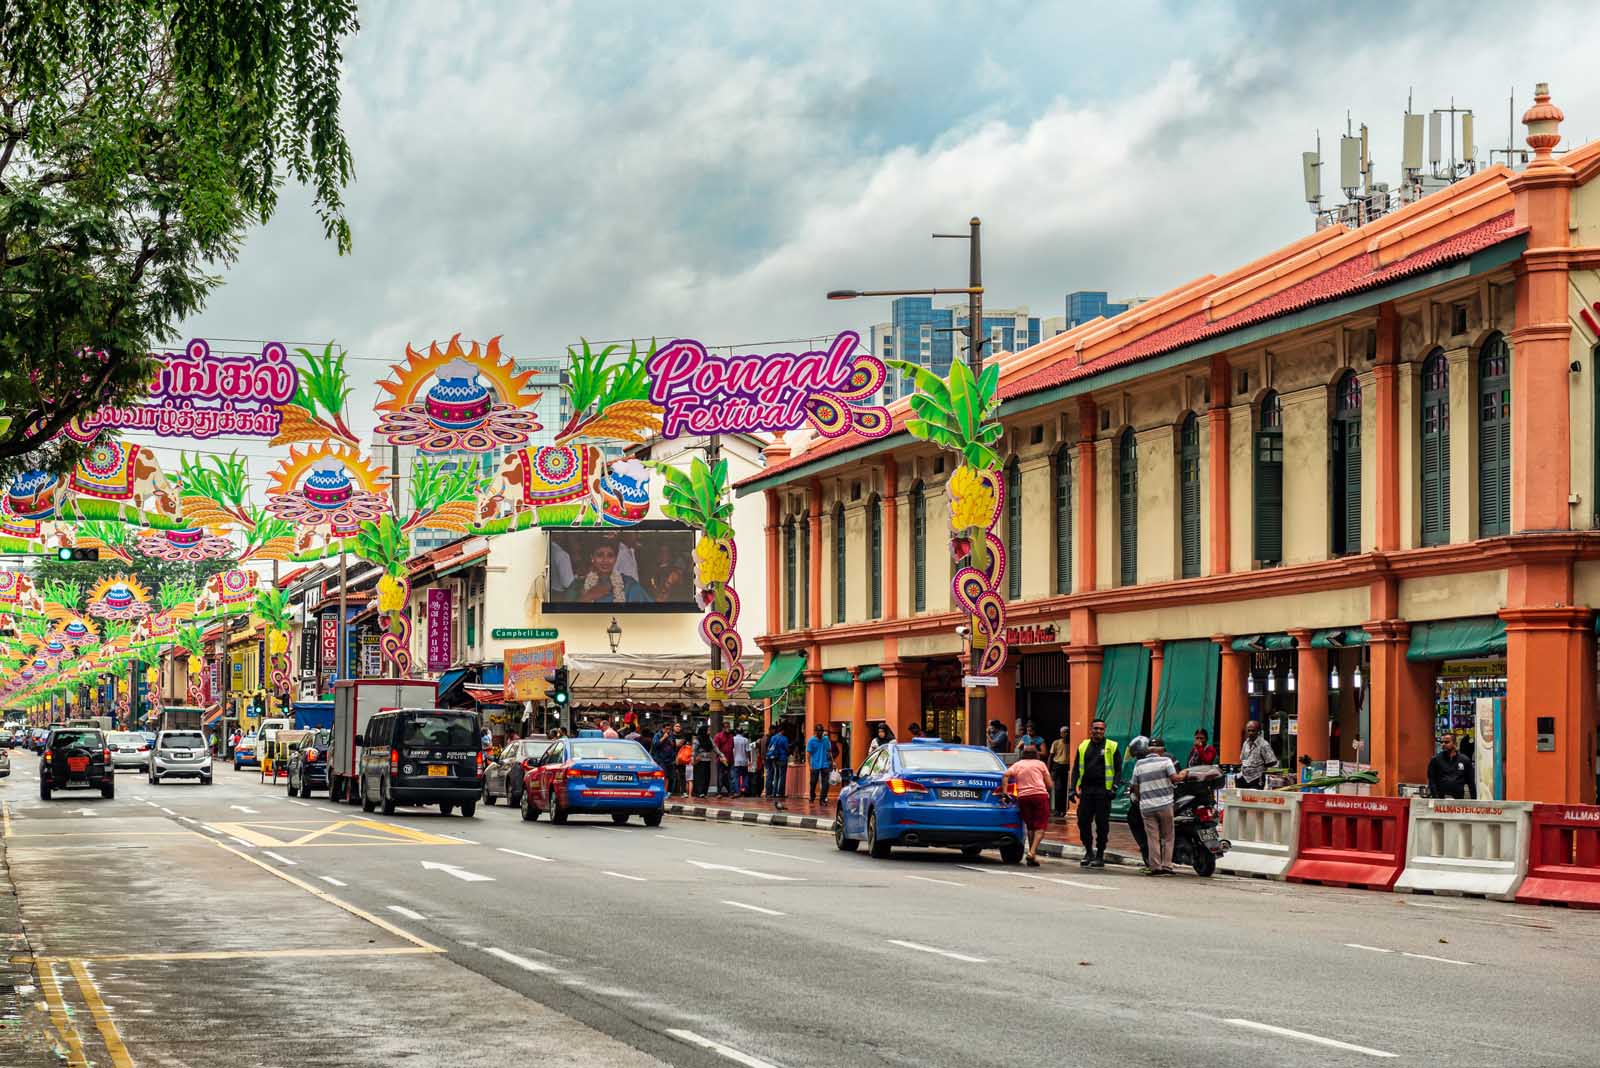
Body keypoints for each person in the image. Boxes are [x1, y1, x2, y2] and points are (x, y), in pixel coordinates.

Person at [1068, 719, 1122, 868]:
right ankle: (1088, 852)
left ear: (1104, 731)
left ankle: (1100, 855)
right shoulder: (1083, 746)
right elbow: (1076, 769)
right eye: (1096, 729)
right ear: (1090, 730)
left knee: (1102, 824)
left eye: (1101, 729)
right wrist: (1072, 788)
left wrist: (1114, 787)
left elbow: (1118, 769)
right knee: (1082, 822)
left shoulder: (1112, 746)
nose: (1098, 731)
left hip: (1104, 792)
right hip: (1086, 791)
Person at [1130, 736, 1185, 875]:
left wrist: (1142, 798)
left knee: (1152, 837)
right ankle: (1167, 866)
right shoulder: (1166, 760)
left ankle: (1155, 867)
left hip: (1147, 807)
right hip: (1165, 804)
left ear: (1148, 750)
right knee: (1167, 836)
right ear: (1161, 750)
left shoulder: (1139, 764)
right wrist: (1184, 773)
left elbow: (1134, 786)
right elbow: (1175, 779)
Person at [1002, 743, 1053, 866]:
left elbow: (1005, 775)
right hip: (1039, 796)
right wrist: (1048, 791)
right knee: (1040, 827)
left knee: (1030, 826)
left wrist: (1005, 793)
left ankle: (1032, 853)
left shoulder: (1018, 765)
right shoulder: (1040, 764)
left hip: (1023, 797)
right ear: (1036, 754)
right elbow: (1049, 784)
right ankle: (1032, 852)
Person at [564, 537, 652, 604]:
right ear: (592, 558)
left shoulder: (629, 584)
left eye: (610, 555)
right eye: (600, 555)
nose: (605, 560)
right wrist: (588, 596)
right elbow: (564, 617)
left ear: (616, 559)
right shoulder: (577, 585)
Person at [1427, 734, 1477, 799]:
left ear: (1454, 744)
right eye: (1442, 742)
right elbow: (1431, 780)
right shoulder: (1435, 760)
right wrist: (1435, 798)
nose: (1443, 744)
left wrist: (1474, 801)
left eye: (1446, 742)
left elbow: (1471, 783)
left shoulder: (1465, 760)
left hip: (1458, 800)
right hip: (1441, 799)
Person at [1237, 719, 1276, 790]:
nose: (1251, 733)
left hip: (1257, 778)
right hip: (1244, 777)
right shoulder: (1245, 743)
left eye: (1253, 731)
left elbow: (1272, 761)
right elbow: (1242, 758)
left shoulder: (1264, 744)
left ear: (1258, 731)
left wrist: (1261, 767)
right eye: (1249, 730)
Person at [806, 724, 832, 804]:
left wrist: (832, 761)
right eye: (819, 731)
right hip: (815, 764)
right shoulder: (811, 741)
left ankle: (822, 799)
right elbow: (808, 754)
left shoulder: (826, 739)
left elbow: (829, 751)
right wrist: (810, 765)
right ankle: (812, 795)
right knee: (813, 782)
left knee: (826, 783)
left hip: (825, 764)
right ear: (815, 732)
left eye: (821, 731)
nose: (820, 733)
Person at [1048, 726, 1072, 817]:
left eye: (1067, 732)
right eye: (1064, 732)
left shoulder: (1071, 743)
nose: (1065, 734)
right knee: (1058, 788)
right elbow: (1051, 756)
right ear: (1061, 734)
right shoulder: (1056, 743)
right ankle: (1057, 809)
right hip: (1057, 766)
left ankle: (1063, 809)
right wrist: (1048, 769)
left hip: (1066, 766)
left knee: (1065, 788)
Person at [766, 728, 790, 802]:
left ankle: (774, 792)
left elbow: (769, 747)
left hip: (775, 758)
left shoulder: (773, 737)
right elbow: (787, 748)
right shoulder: (784, 738)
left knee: (776, 775)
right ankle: (780, 793)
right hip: (782, 758)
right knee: (782, 776)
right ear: (782, 731)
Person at [691, 725, 713, 798]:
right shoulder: (697, 740)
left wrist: (721, 755)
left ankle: (704, 792)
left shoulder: (709, 739)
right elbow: (694, 751)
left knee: (707, 777)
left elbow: (715, 747)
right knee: (700, 777)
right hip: (699, 761)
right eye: (708, 730)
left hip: (707, 761)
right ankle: (699, 792)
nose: (709, 732)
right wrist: (693, 759)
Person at [712, 724, 734, 795]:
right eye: (726, 727)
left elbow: (732, 747)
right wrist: (721, 756)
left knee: (730, 776)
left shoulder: (731, 736)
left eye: (728, 727)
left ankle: (730, 791)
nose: (728, 729)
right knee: (720, 775)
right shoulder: (718, 736)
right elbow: (716, 748)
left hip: (730, 759)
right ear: (723, 728)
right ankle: (719, 792)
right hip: (721, 759)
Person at [731, 724, 750, 796]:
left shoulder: (732, 739)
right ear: (742, 732)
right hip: (744, 761)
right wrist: (749, 760)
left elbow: (731, 750)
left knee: (736, 777)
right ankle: (744, 788)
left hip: (735, 761)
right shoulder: (745, 740)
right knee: (745, 775)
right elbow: (747, 750)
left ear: (736, 732)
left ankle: (737, 791)